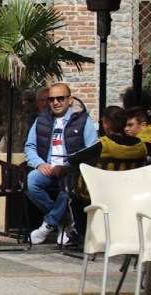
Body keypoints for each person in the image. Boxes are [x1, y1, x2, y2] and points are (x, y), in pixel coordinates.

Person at [24, 82, 98, 245]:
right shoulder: (41, 120)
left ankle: (48, 225)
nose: (55, 102)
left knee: (68, 189)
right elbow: (29, 146)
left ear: (69, 100)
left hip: (71, 172)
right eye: (51, 99)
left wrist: (67, 166)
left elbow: (91, 150)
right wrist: (39, 164)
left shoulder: (82, 120)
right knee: (31, 181)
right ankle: (62, 220)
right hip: (48, 168)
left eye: (60, 98)